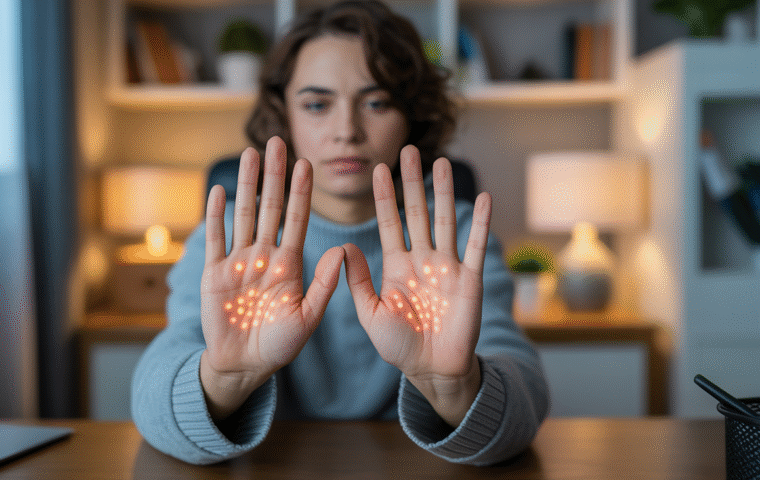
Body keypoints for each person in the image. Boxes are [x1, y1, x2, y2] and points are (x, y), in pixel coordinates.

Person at [131, 0, 548, 466]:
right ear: (284, 117)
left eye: (377, 101)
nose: (346, 130)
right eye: (316, 104)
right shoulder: (231, 242)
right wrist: (225, 377)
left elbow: (524, 401)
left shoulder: (458, 238)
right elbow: (150, 397)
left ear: (411, 116)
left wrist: (455, 385)